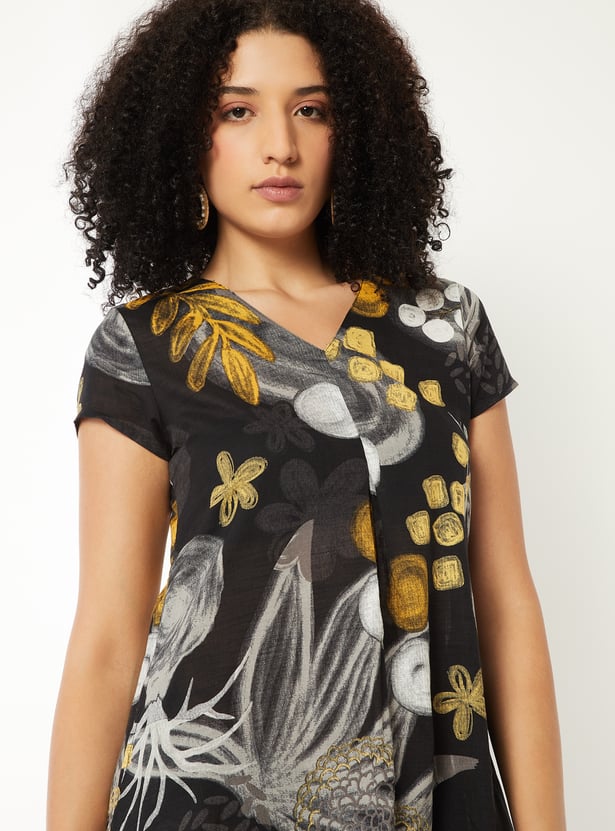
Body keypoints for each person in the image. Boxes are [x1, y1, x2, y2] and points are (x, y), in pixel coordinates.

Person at [47, 1, 566, 829]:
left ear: (352, 130)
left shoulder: (446, 328)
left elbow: (505, 601)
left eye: (311, 110)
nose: (279, 145)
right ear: (181, 133)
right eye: (237, 110)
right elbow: (109, 634)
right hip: (206, 799)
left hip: (436, 791)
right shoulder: (141, 347)